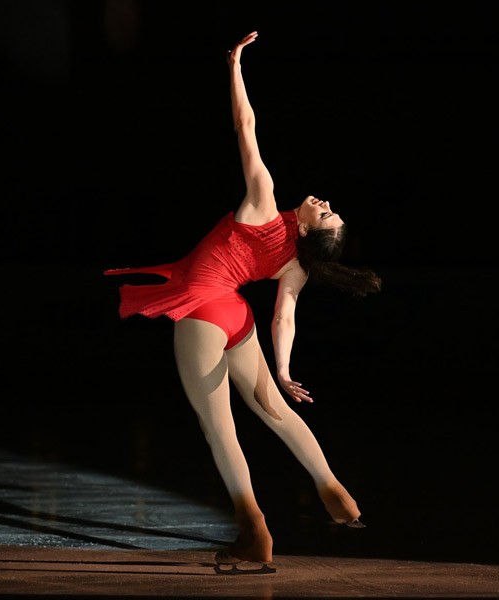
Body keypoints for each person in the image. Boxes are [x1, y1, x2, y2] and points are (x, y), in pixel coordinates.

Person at [104, 30, 382, 572]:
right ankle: (334, 491)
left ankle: (253, 531)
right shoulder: (297, 264)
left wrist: (234, 64)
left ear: (306, 228)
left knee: (220, 429)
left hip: (203, 308)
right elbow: (284, 315)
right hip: (236, 316)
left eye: (325, 213)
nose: (324, 202)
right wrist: (282, 370)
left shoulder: (263, 203)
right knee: (274, 411)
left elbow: (245, 126)